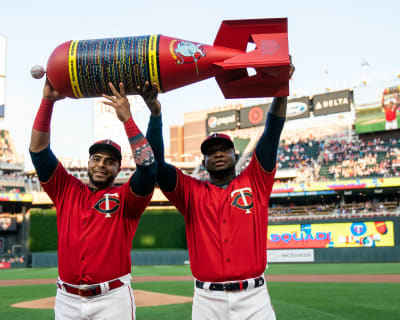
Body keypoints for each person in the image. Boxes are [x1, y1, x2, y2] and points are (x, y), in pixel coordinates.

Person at [140, 62, 294, 320]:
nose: (218, 154)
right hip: (207, 301)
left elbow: (271, 134)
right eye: (211, 153)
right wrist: (155, 114)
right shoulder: (189, 192)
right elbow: (154, 164)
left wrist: (281, 88)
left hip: (253, 298)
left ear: (236, 155)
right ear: (204, 163)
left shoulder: (255, 180)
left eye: (223, 149)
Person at [30, 79, 157, 320]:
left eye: (110, 161)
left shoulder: (127, 198)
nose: (101, 164)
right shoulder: (65, 189)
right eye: (96, 158)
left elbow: (149, 168)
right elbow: (38, 152)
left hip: (112, 299)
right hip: (67, 299)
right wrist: (47, 101)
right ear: (88, 163)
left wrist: (127, 119)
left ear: (119, 168)